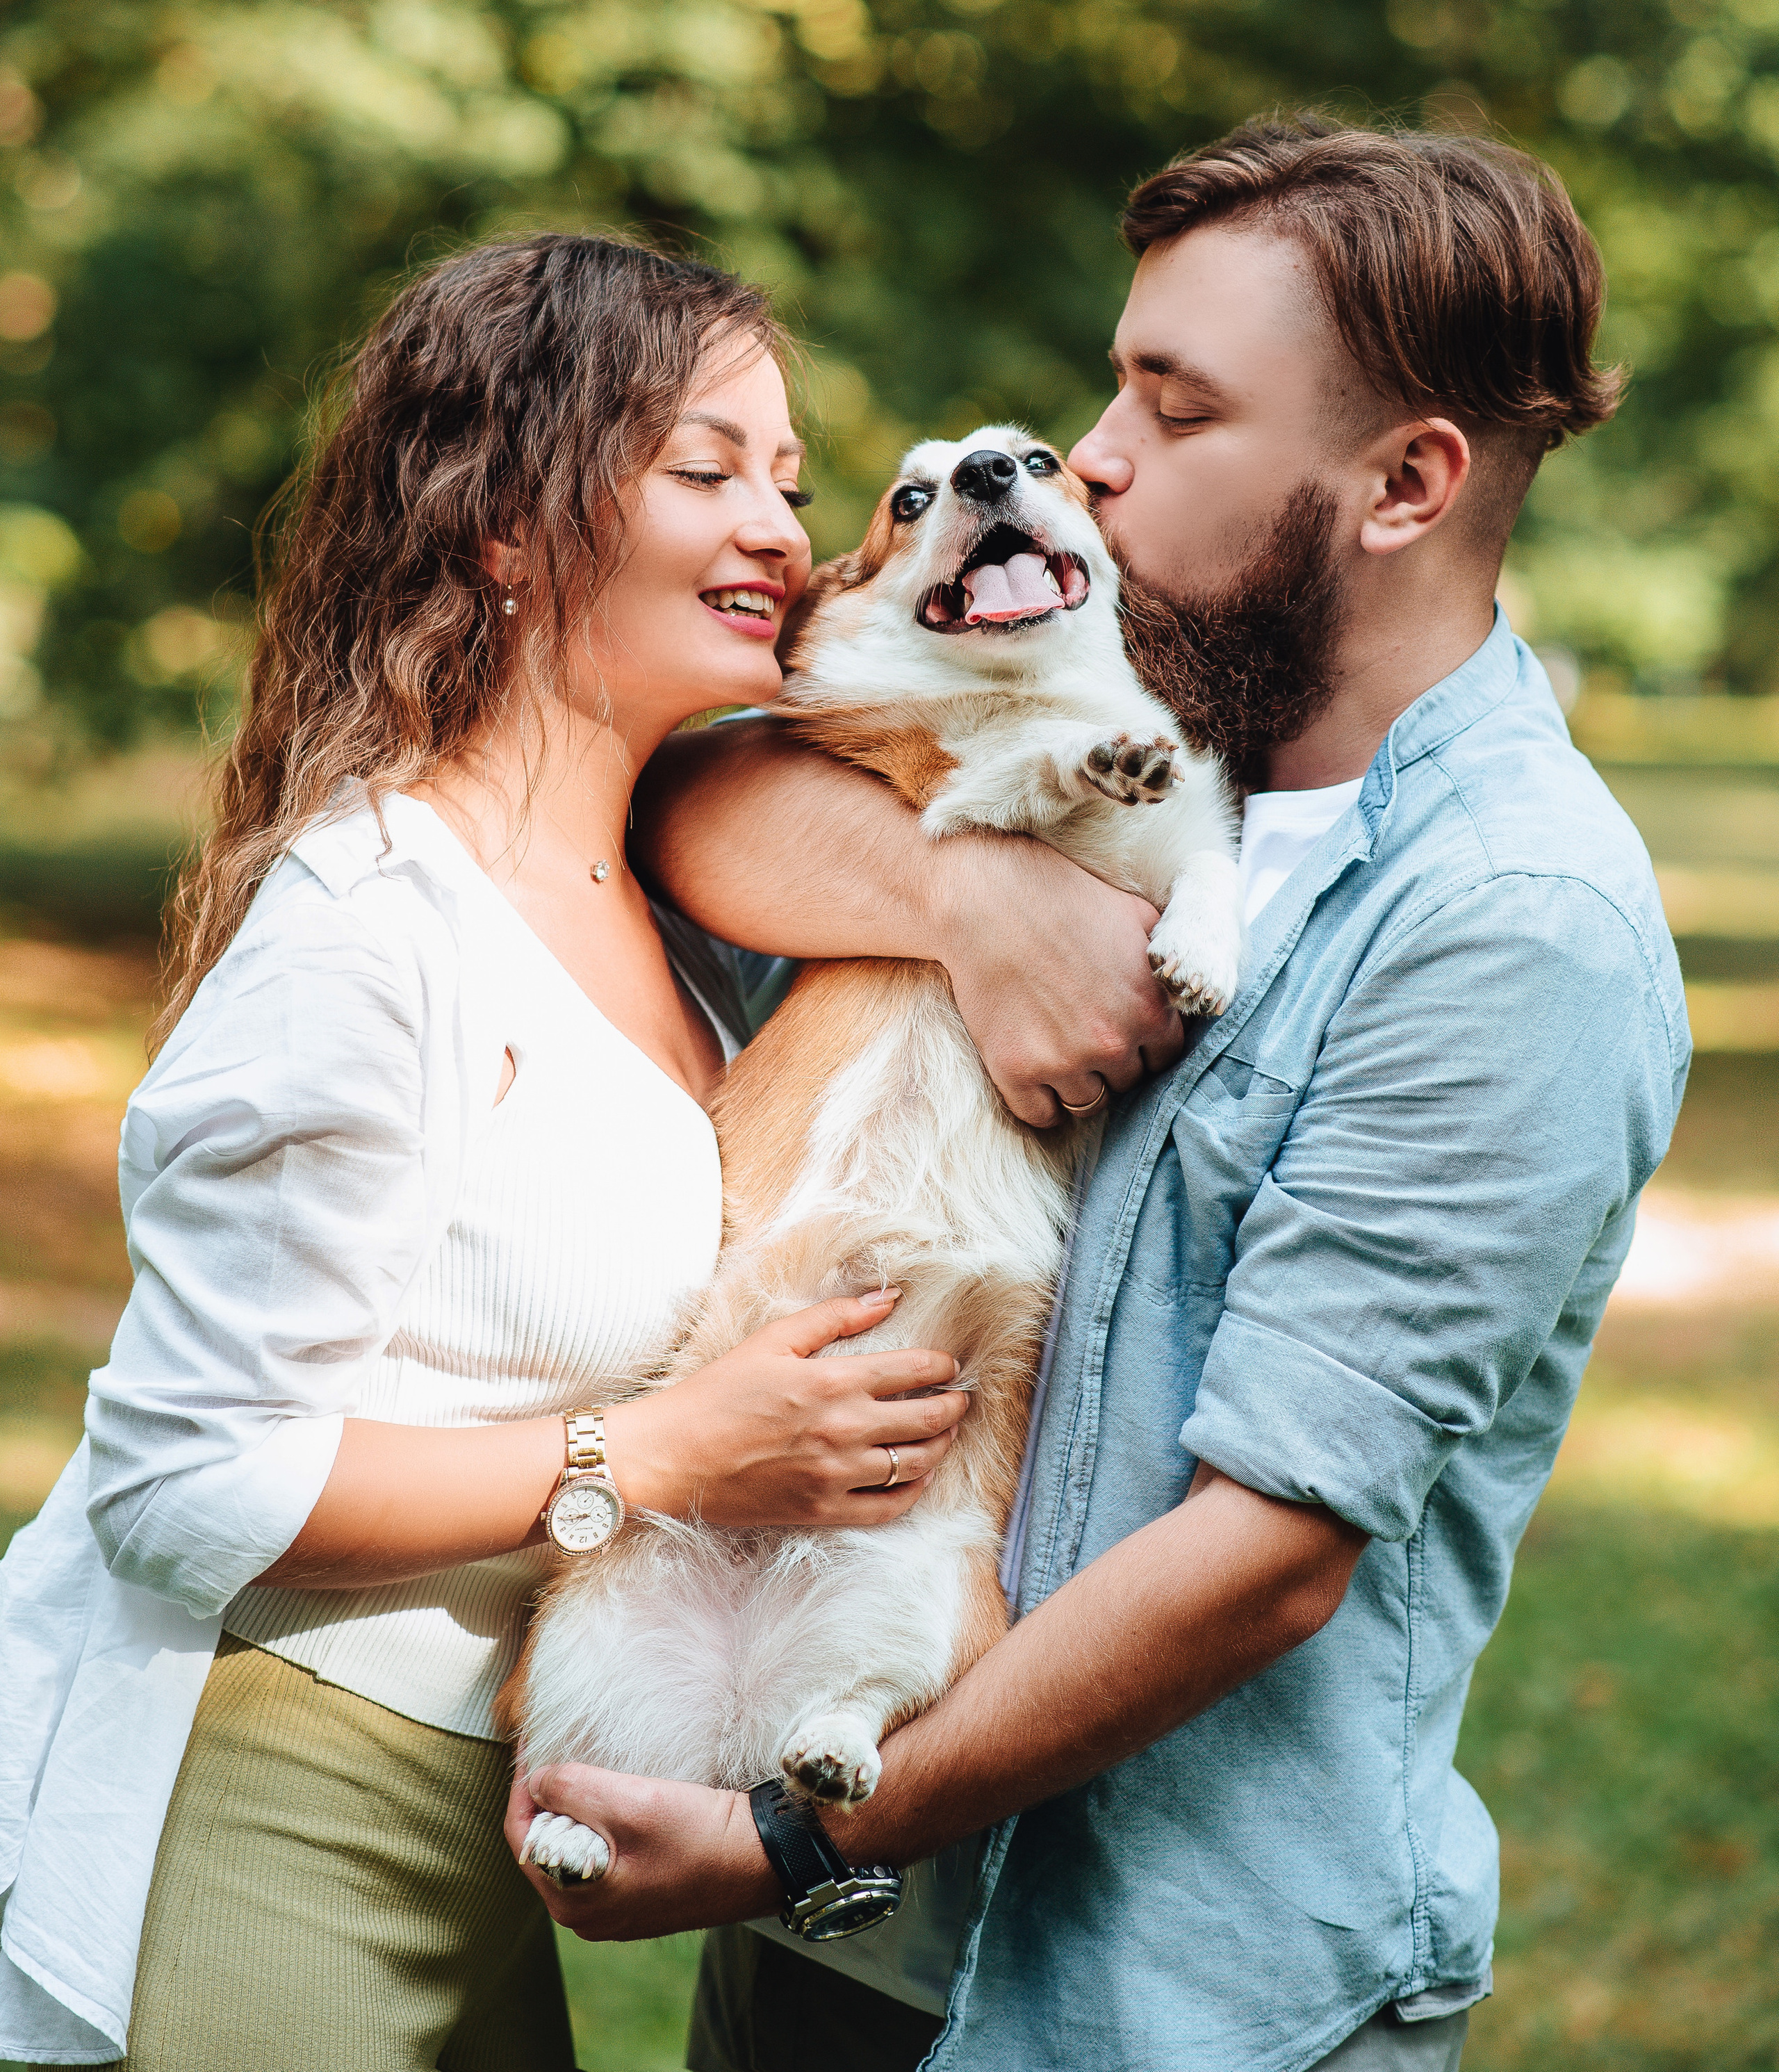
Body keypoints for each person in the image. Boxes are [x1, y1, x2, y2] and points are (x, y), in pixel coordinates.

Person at [506, 119, 1690, 2072]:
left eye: (1177, 406)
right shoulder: (1092, 709)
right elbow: (692, 792)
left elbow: (1268, 1555)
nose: (1099, 456)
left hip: (1152, 1989)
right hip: (836, 1948)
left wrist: (795, 1836)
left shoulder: (1510, 926)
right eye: (1116, 381)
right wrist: (960, 897)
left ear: (1406, 483)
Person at [0, 235, 975, 2071]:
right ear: (508, 525)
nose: (782, 528)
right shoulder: (374, 932)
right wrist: (670, 1455)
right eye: (707, 469)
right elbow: (183, 1481)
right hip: (264, 1791)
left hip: (487, 1826)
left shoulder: (676, 914)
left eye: (790, 478)